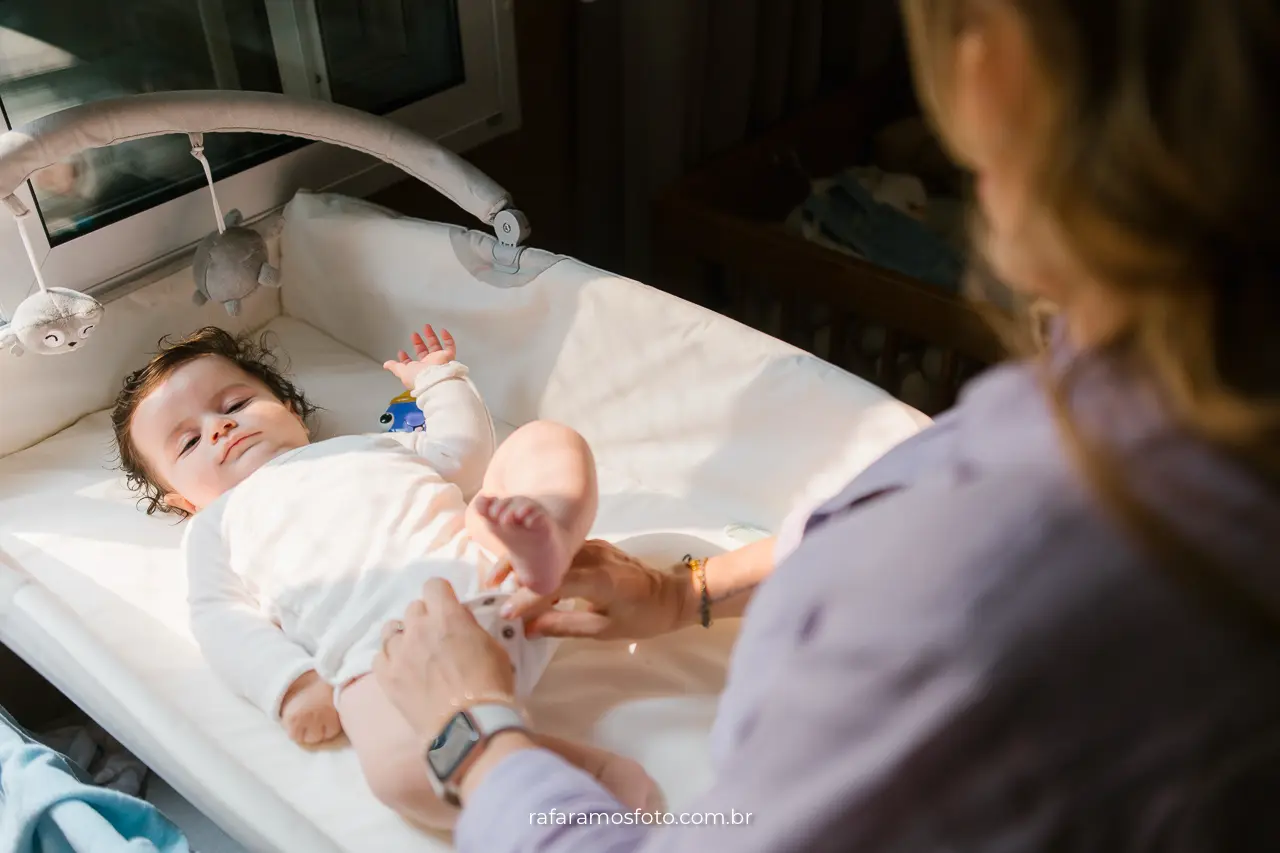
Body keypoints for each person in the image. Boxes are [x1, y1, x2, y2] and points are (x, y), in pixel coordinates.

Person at [371, 0, 1280, 849]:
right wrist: (693, 589)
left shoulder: (986, 577)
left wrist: (474, 734)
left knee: (546, 451)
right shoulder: (1163, 396)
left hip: (464, 612)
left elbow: (458, 442)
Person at [109, 323, 657, 831]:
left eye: (235, 403)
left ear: (291, 412)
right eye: (187, 442)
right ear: (183, 501)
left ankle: (547, 547)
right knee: (399, 774)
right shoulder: (215, 527)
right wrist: (296, 685)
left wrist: (437, 380)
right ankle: (579, 769)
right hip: (384, 662)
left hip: (495, 579)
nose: (221, 427)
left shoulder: (367, 446)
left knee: (544, 441)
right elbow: (219, 618)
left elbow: (464, 455)